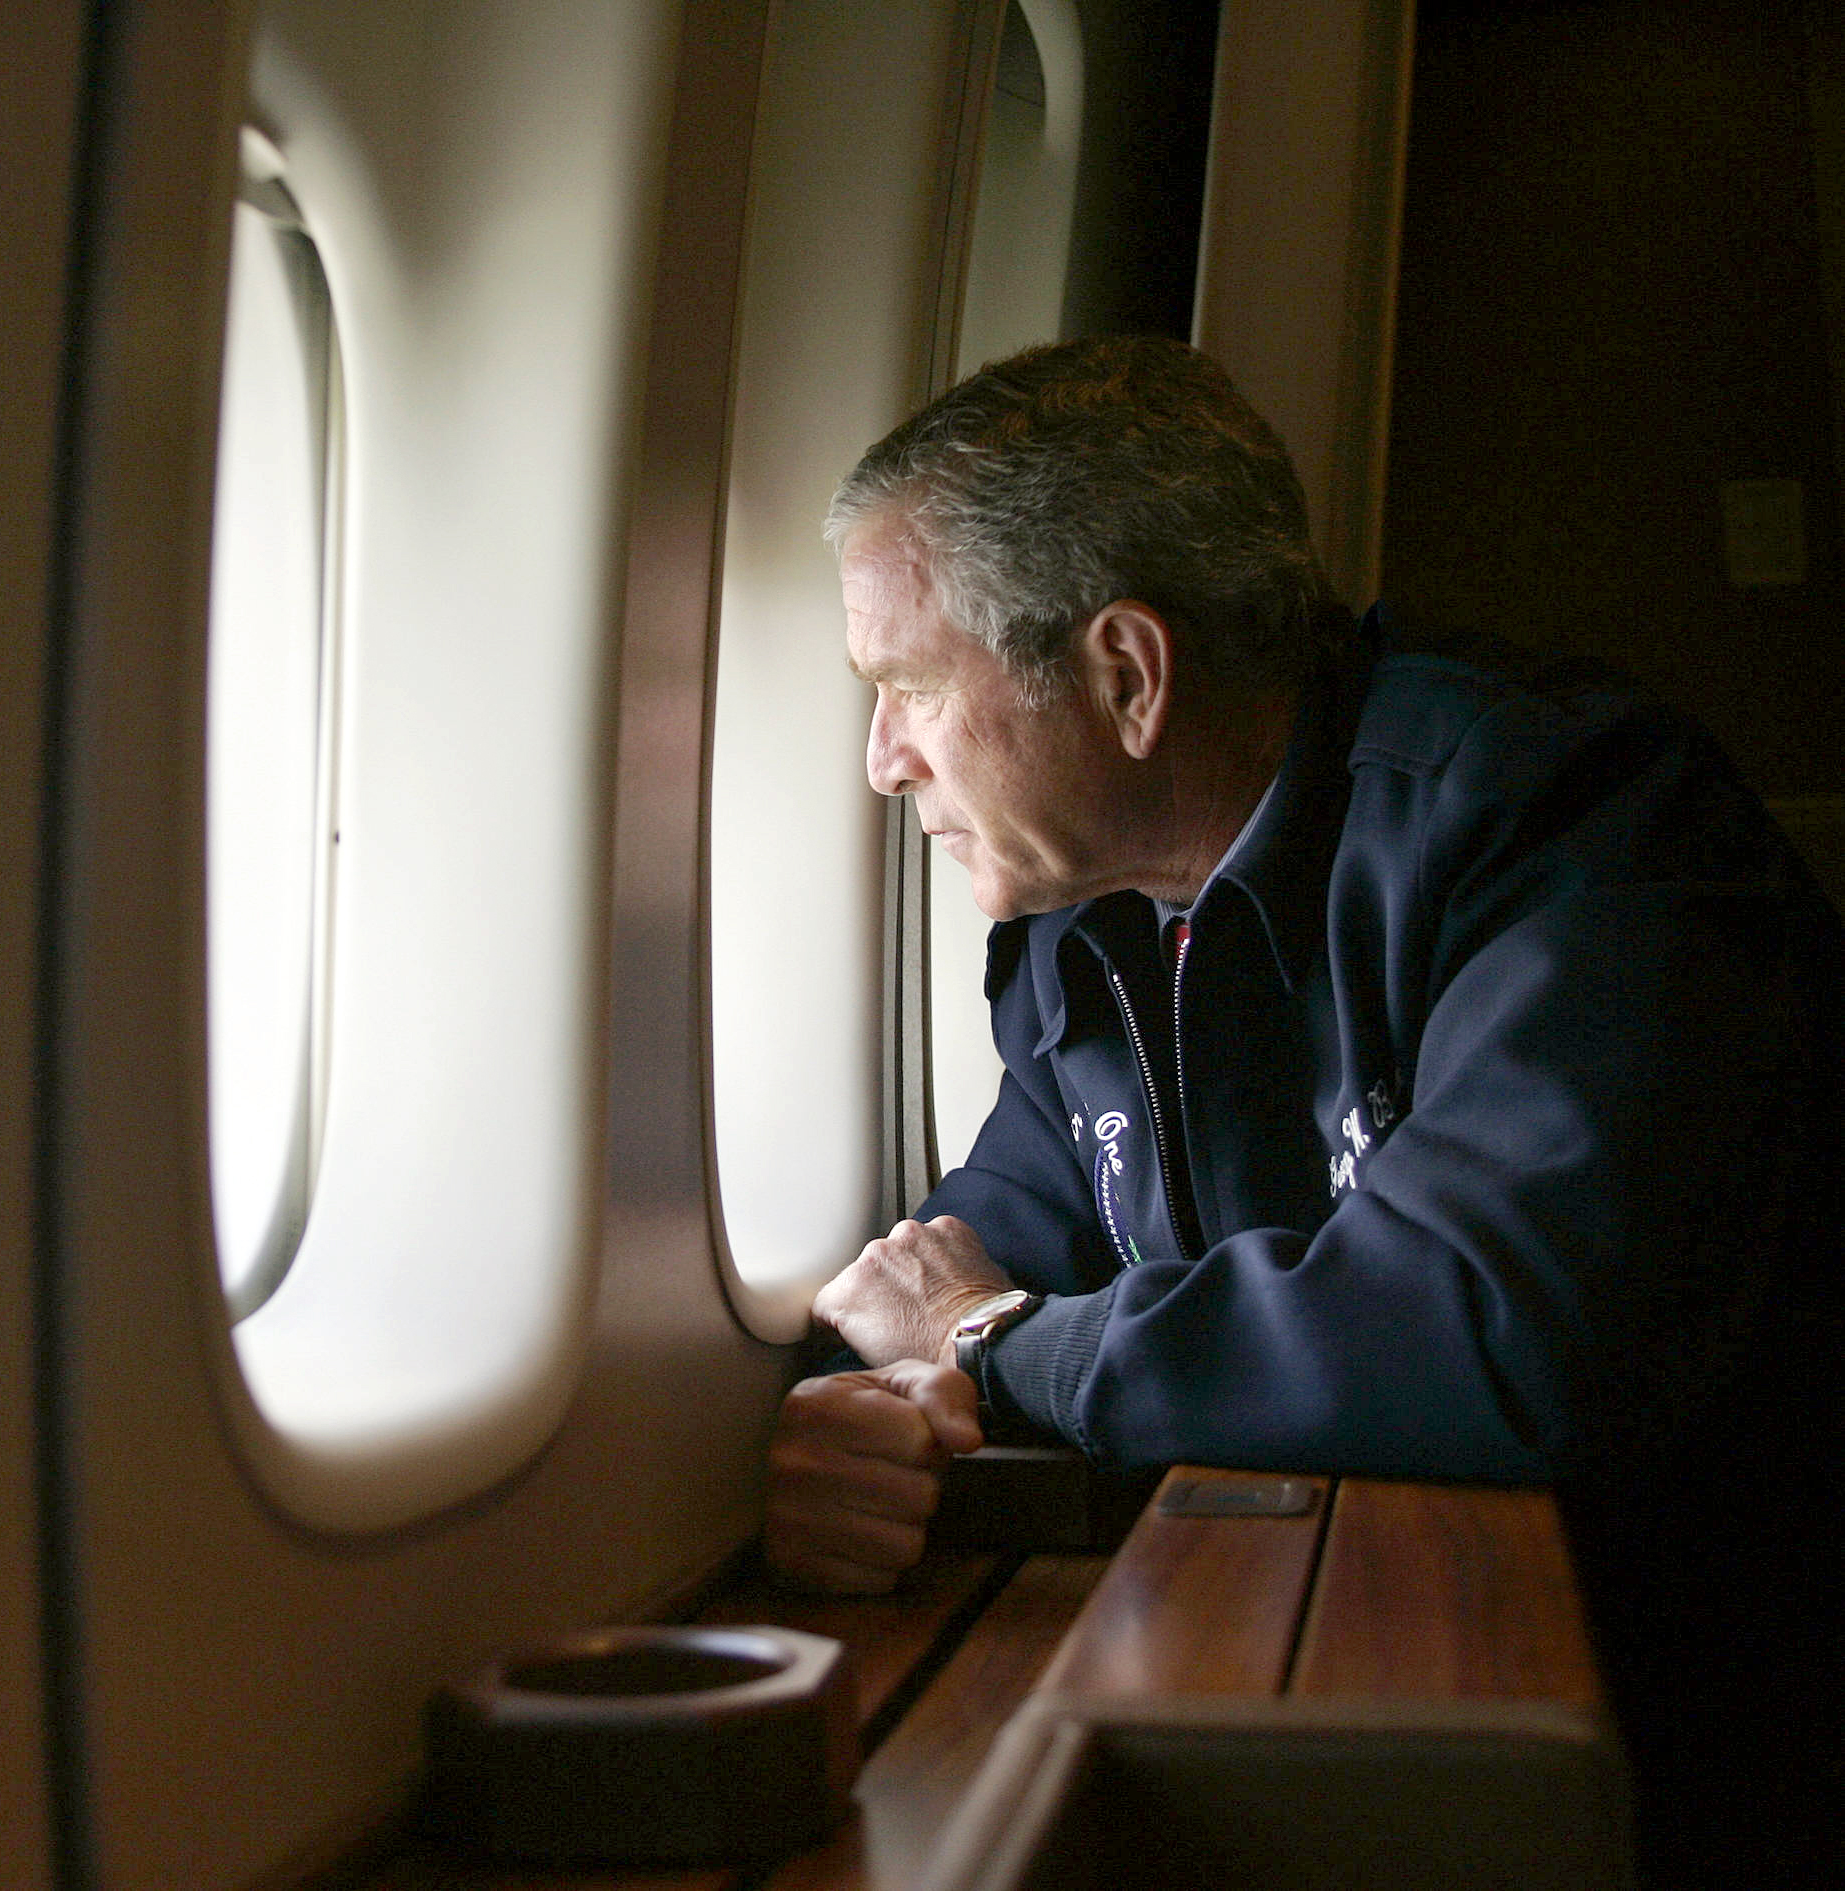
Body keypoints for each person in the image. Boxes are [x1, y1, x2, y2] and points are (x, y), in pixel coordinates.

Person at [764, 334, 1842, 1881]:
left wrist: (998, 1350)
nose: (883, 761)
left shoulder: (1573, 825)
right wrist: (862, 1421)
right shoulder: (1089, 929)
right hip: (1379, 1629)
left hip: (1710, 1696)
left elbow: (1498, 1325)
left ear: (1127, 675)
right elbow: (976, 1254)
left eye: (908, 686)